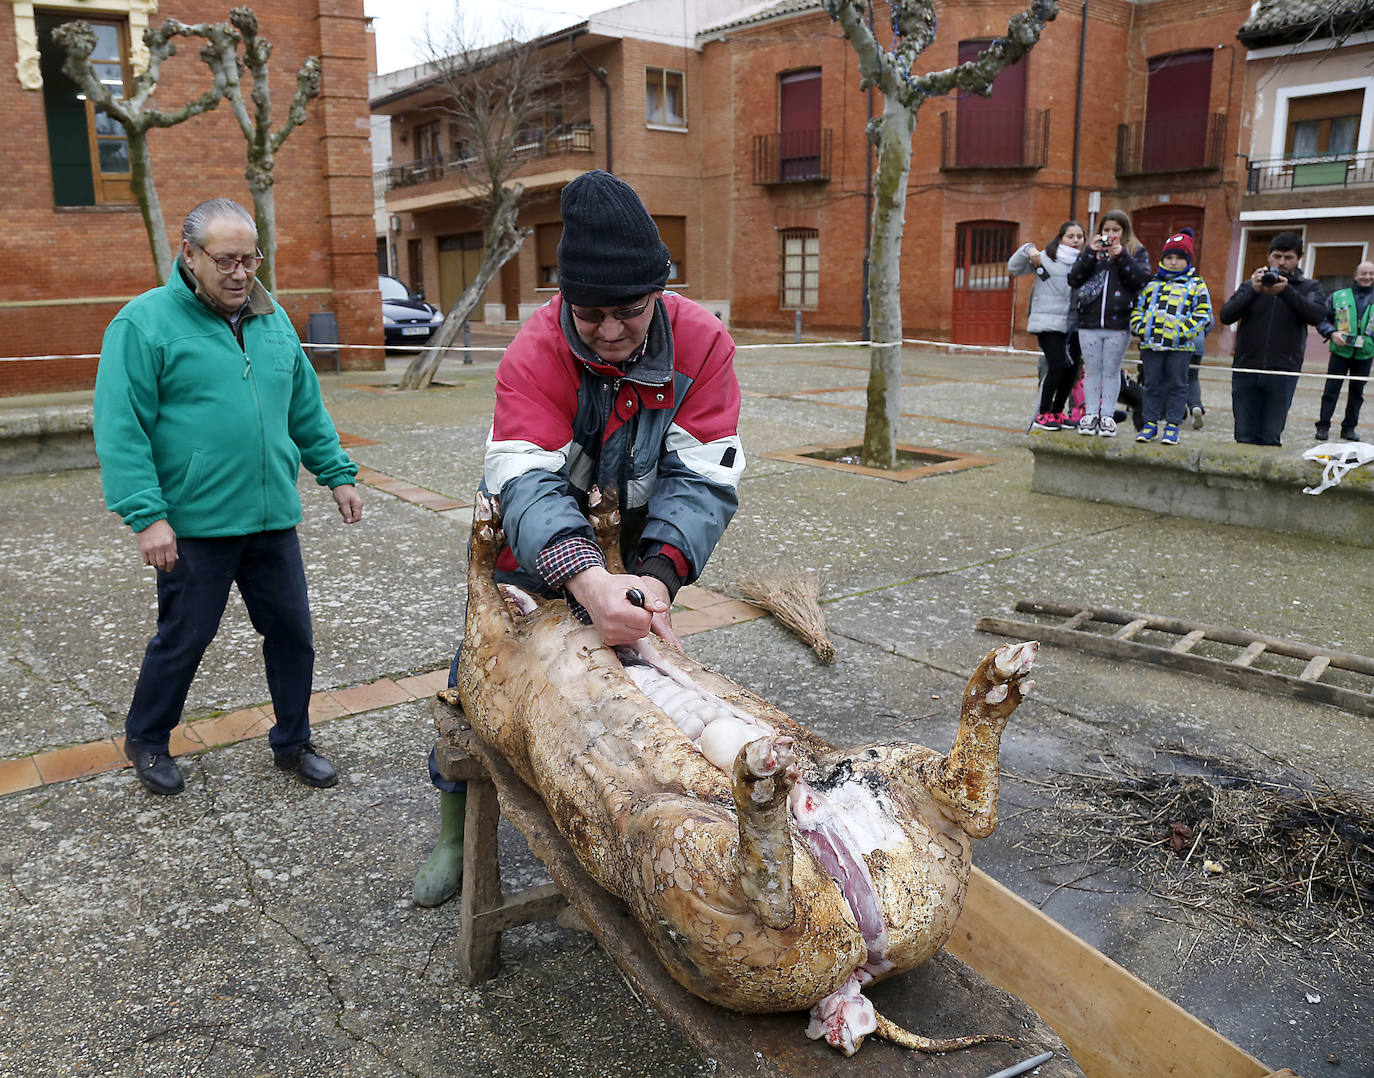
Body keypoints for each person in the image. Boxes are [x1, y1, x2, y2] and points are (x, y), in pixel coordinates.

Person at [413, 169, 745, 906]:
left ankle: (605, 827)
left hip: (634, 542)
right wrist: (585, 581)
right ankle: (452, 830)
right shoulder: (536, 351)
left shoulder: (702, 345)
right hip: (532, 544)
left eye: (627, 311)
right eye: (588, 313)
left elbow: (703, 477)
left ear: (659, 290)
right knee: (474, 686)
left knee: (627, 700)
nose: (608, 330)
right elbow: (527, 482)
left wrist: (655, 576)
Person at [94, 198, 363, 797]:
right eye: (226, 260)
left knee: (293, 632)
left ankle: (294, 742)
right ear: (188, 255)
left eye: (250, 258)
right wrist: (148, 517)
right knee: (185, 637)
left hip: (270, 521)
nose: (241, 273)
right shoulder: (142, 325)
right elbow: (120, 427)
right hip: (193, 526)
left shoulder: (273, 319)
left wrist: (336, 473)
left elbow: (303, 407)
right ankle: (147, 738)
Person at [1218, 231, 1326, 447]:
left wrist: (1285, 291)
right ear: (1268, 256)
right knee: (1244, 436)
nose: (1282, 262)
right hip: (1246, 368)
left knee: (1271, 436)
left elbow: (1316, 315)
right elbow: (1225, 316)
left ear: (1298, 259)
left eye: (1288, 257)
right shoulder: (1251, 285)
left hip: (1283, 371)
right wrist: (1254, 291)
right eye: (1277, 256)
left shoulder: (1309, 287)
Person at [1067, 208, 1153, 437]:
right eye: (1107, 230)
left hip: (1119, 323)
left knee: (1112, 371)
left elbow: (1141, 280)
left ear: (1124, 231)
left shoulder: (1135, 251)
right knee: (1092, 370)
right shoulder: (1092, 252)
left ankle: (1107, 415)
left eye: (1116, 230)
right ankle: (1090, 414)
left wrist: (1121, 255)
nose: (1111, 234)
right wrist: (1089, 254)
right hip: (1089, 323)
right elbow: (1073, 278)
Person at [1130, 229, 1212, 446]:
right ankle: (1150, 424)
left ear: (1187, 260)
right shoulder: (1152, 285)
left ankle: (1173, 425)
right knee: (1151, 385)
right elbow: (1138, 308)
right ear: (1163, 259)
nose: (1174, 262)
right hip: (1151, 345)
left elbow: (1203, 314)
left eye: (1179, 258)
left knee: (1177, 386)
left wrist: (1182, 331)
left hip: (1180, 347)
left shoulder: (1196, 285)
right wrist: (1141, 328)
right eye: (1169, 257)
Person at [1008, 220, 1086, 430]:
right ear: (1060, 238)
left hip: (1074, 325)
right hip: (1048, 322)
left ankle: (1057, 412)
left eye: (1080, 237)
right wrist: (1028, 249)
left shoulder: (1085, 263)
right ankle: (1043, 414)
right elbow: (1013, 268)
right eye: (1071, 236)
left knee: (1072, 369)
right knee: (1057, 364)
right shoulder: (1045, 258)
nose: (1075, 240)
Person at [1314, 260, 1374, 442]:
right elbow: (1321, 319)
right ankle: (1323, 426)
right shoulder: (1337, 296)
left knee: (1357, 394)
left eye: (1371, 273)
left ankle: (1349, 428)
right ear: (1355, 276)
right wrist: (1332, 333)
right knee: (1331, 390)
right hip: (1340, 352)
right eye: (1364, 273)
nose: (1368, 277)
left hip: (1365, 354)